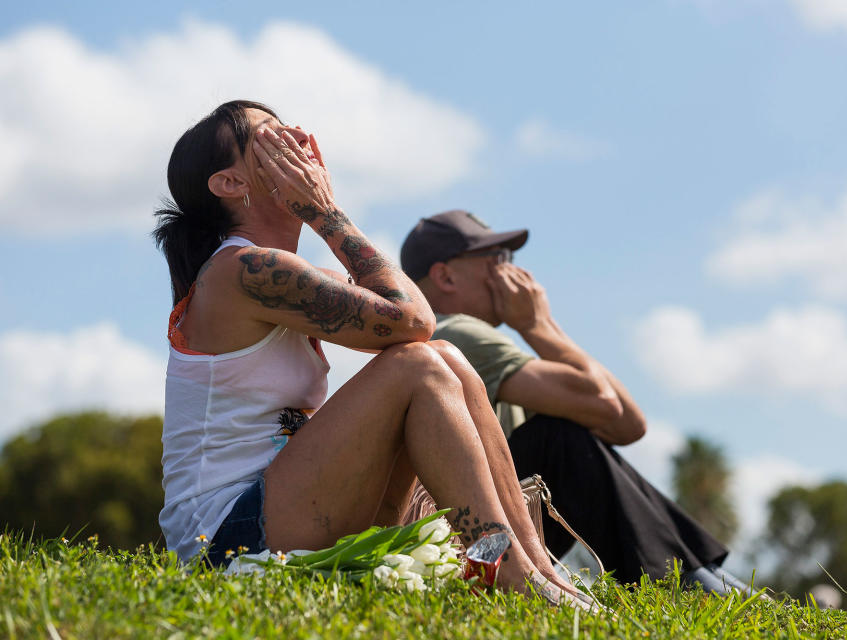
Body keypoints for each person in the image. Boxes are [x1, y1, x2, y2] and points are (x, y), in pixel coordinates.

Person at [151, 100, 593, 607]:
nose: (296, 136)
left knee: (446, 355)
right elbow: (413, 321)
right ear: (230, 183)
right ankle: (504, 571)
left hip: (284, 509)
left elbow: (414, 322)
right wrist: (326, 213)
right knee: (420, 365)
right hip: (226, 539)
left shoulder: (275, 273)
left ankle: (536, 566)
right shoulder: (241, 269)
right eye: (271, 137)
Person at [400, 210, 755, 595]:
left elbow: (627, 426)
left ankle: (701, 577)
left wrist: (543, 328)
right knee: (558, 438)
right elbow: (605, 405)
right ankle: (687, 583)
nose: (511, 274)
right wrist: (536, 326)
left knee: (567, 432)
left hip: (479, 537)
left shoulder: (467, 339)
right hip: (466, 544)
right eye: (497, 260)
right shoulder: (454, 333)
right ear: (445, 276)